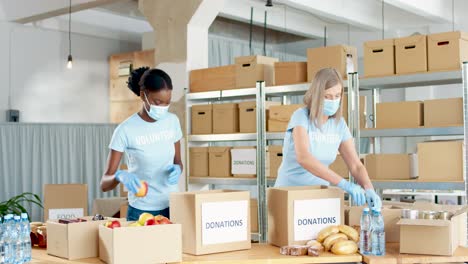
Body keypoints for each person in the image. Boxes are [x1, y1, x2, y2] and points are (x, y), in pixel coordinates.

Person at [274, 68, 381, 209]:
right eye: (328, 96)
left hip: (319, 196)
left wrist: (369, 188)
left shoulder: (339, 124)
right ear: (316, 95)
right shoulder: (301, 117)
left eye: (337, 96)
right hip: (289, 195)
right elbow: (304, 158)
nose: (333, 101)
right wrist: (344, 184)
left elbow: (356, 165)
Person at [100, 67, 183, 220]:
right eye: (158, 102)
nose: (162, 108)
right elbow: (104, 184)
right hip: (141, 211)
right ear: (143, 95)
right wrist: (119, 176)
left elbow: (178, 162)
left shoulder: (173, 121)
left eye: (167, 103)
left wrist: (178, 169)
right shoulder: (125, 130)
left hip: (173, 206)